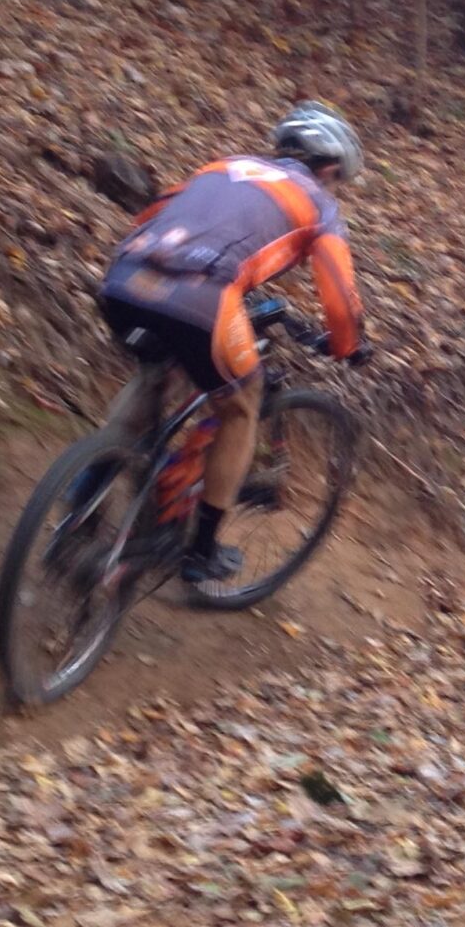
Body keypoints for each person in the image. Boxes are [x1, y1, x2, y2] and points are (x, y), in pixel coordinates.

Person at [97, 101, 369, 582]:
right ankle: (200, 551)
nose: (334, 188)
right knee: (242, 406)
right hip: (204, 293)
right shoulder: (318, 204)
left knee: (154, 374)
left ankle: (85, 494)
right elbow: (340, 297)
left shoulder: (220, 166)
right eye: (337, 179)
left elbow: (152, 214)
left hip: (124, 278)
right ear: (327, 168)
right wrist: (347, 345)